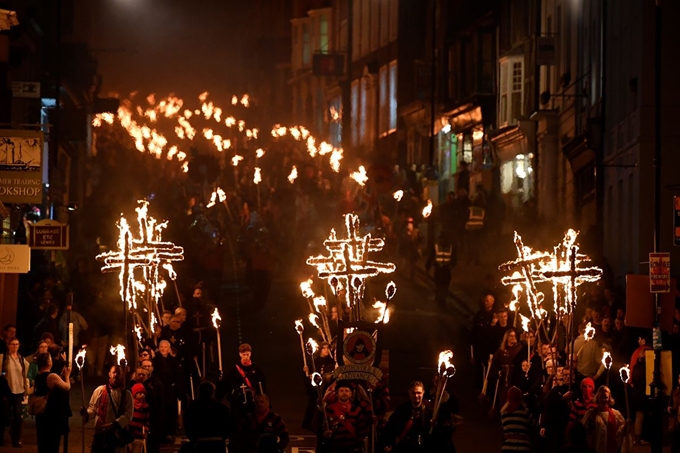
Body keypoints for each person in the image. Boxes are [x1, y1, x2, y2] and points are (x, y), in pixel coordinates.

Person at [82, 365, 133, 453]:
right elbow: (92, 409)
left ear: (122, 375)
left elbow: (128, 415)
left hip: (117, 435)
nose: (116, 375)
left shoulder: (127, 395)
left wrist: (114, 425)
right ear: (109, 374)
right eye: (114, 372)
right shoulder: (100, 391)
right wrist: (86, 414)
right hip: (101, 435)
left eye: (119, 373)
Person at [33, 351, 72, 452]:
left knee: (43, 443)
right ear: (48, 362)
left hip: (41, 415)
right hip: (51, 416)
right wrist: (67, 376)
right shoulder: (51, 377)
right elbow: (66, 387)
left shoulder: (38, 375)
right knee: (52, 444)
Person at [320, 380, 373, 453]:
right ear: (337, 394)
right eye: (341, 391)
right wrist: (326, 434)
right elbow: (323, 429)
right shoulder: (329, 410)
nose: (344, 393)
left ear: (351, 394)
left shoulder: (357, 410)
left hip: (353, 449)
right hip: (335, 449)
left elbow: (362, 431)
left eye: (346, 391)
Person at [183, 381, 232, 453]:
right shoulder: (221, 407)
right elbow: (228, 424)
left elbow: (187, 422)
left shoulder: (192, 407)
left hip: (200, 442)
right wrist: (224, 436)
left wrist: (192, 437)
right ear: (212, 392)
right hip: (217, 442)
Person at [0, 338, 30, 447]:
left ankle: (17, 440)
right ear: (8, 345)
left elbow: (26, 371)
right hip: (7, 391)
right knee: (4, 415)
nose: (15, 346)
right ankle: (1, 438)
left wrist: (26, 389)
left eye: (17, 344)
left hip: (19, 390)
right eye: (13, 344)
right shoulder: (3, 358)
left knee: (18, 416)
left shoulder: (21, 359)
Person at [224, 343, 266, 420]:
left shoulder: (256, 370)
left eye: (247, 354)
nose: (246, 357)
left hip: (253, 401)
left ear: (250, 354)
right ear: (240, 354)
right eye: (244, 354)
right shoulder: (234, 370)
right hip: (237, 402)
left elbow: (262, 386)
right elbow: (226, 384)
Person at [582, 386, 626, 453]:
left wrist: (626, 426)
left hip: (610, 448)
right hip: (595, 447)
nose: (603, 400)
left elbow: (622, 429)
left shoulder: (615, 414)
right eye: (601, 397)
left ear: (609, 398)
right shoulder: (591, 413)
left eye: (605, 397)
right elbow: (583, 428)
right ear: (598, 397)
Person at [425, 233, 456, 310]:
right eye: (441, 239)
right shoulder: (436, 247)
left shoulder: (451, 247)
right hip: (438, 268)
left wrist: (452, 265)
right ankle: (439, 296)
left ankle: (442, 297)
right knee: (437, 283)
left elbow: (454, 258)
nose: (442, 241)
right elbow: (431, 257)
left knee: (445, 283)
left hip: (446, 269)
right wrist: (427, 266)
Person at [141, 359, 165, 453]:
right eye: (144, 366)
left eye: (148, 366)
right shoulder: (137, 382)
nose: (146, 368)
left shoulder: (157, 384)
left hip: (153, 417)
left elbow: (160, 403)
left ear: (152, 368)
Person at [500, 387, 532, 452]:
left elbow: (503, 430)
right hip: (523, 446)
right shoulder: (526, 413)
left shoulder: (503, 414)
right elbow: (531, 426)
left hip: (507, 447)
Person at [129, 383, 150, 453]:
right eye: (140, 393)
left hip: (139, 434)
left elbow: (146, 421)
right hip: (129, 434)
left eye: (143, 393)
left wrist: (146, 431)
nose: (142, 395)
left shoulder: (145, 407)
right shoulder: (130, 405)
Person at [668, 373, 680, 453]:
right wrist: (669, 408)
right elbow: (670, 403)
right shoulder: (675, 391)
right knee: (674, 445)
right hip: (675, 421)